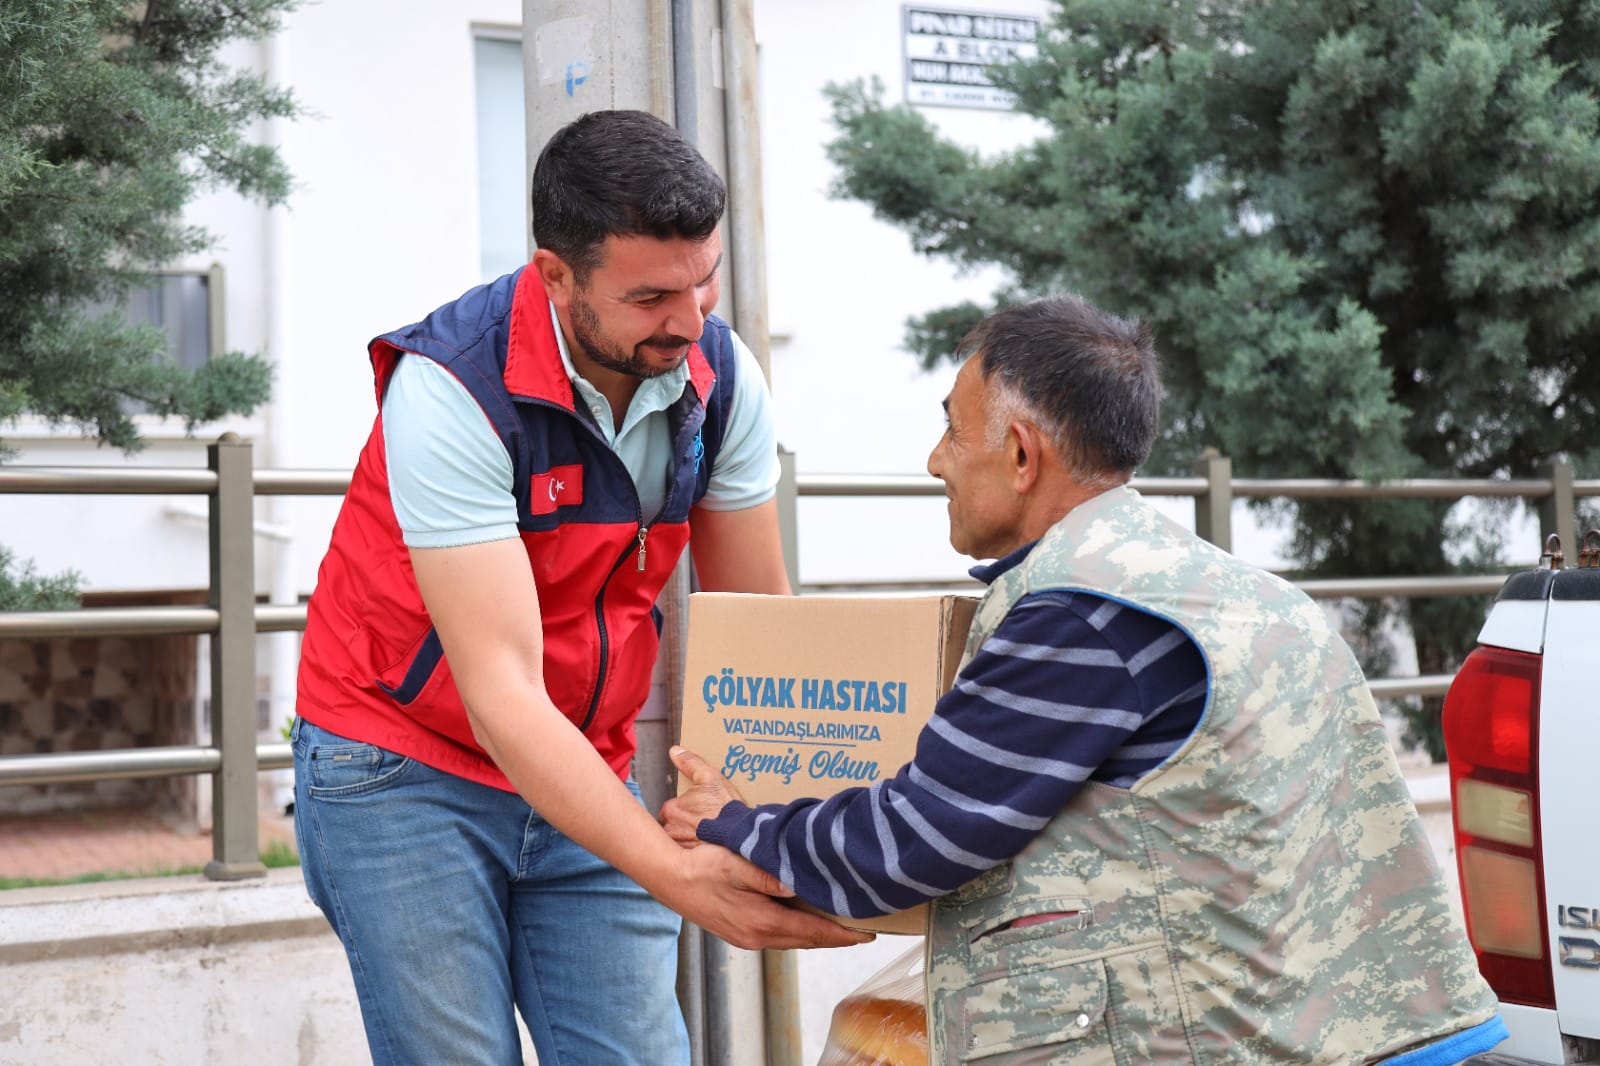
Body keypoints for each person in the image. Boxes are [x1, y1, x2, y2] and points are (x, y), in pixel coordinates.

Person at [663, 294, 1508, 1064]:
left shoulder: (1081, 619)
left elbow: (913, 843)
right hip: (1348, 1032)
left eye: (954, 432)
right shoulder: (1234, 590)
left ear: (1023, 455)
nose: (934, 462)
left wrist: (740, 824)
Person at [291, 108, 867, 1066]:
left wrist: (771, 820)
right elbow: (503, 692)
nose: (689, 320)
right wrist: (677, 877)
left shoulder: (720, 375)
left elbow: (757, 631)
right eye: (650, 297)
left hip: (583, 761)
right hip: (403, 763)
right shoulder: (450, 389)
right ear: (556, 275)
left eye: (704, 279)